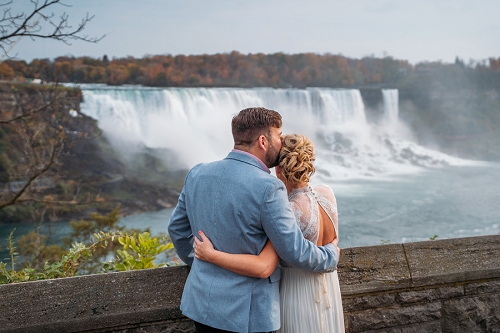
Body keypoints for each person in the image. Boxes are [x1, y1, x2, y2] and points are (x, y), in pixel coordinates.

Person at [168, 108, 340, 333]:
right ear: (262, 141)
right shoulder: (268, 187)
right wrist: (330, 255)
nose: (281, 143)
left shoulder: (197, 173)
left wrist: (203, 263)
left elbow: (177, 230)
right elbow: (294, 251)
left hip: (202, 305)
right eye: (278, 136)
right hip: (246, 315)